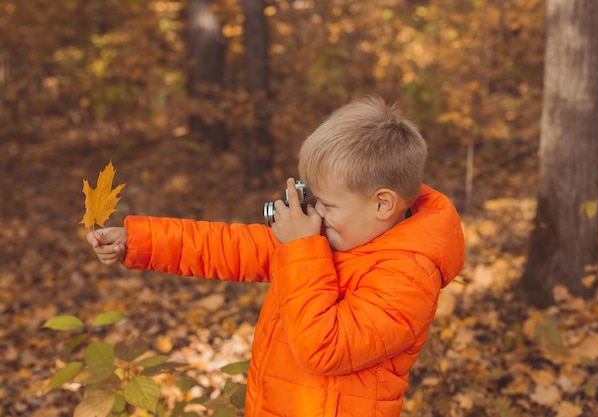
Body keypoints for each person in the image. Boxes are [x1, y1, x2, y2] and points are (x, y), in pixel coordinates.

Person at [87, 95, 465, 417]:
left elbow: (324, 348)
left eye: (328, 204)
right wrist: (136, 239)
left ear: (383, 203)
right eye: (314, 200)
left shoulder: (409, 274)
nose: (315, 213)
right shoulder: (328, 240)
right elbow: (226, 247)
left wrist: (302, 246)